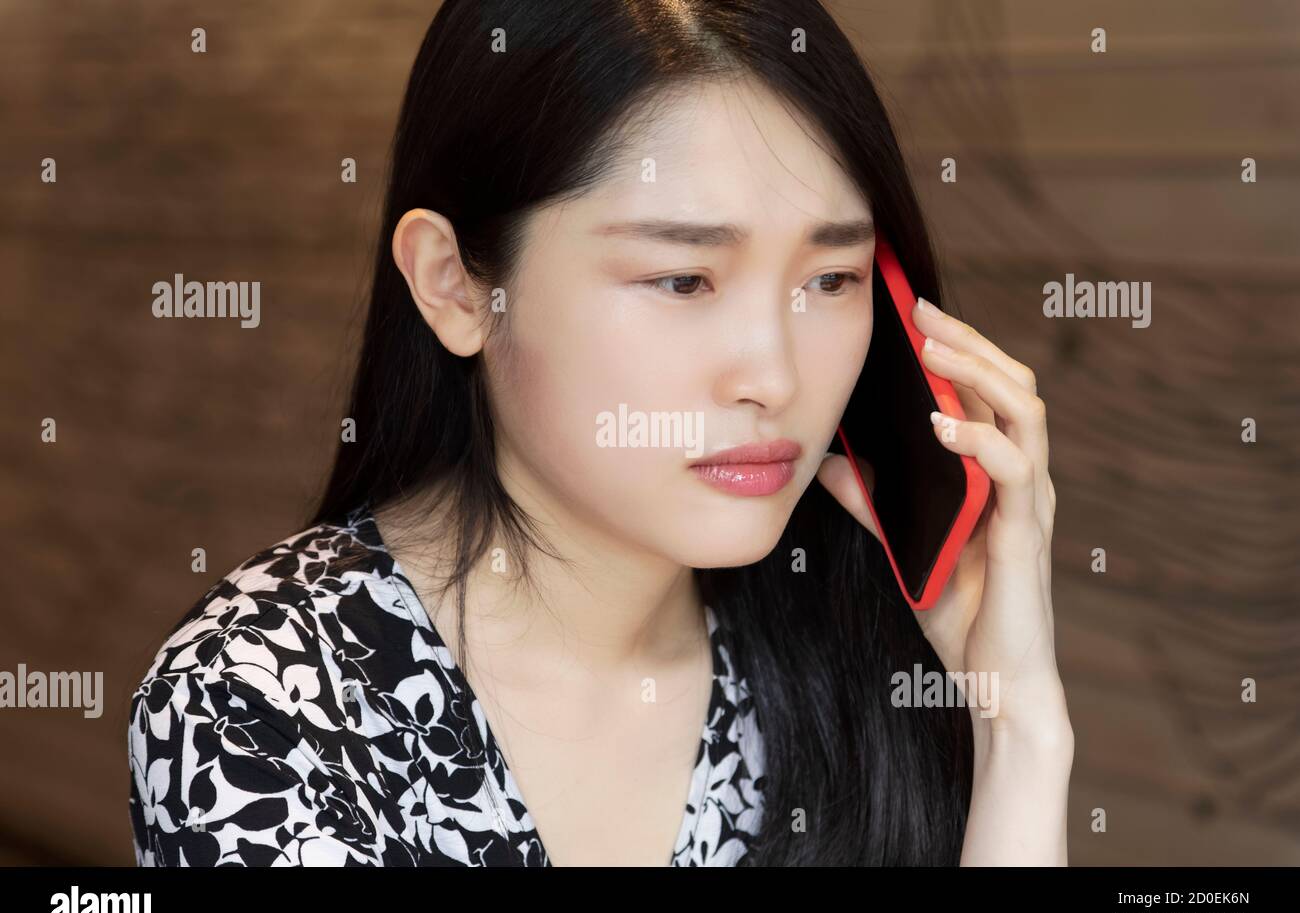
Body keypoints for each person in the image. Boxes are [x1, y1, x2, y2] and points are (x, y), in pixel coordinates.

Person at [128, 0, 1070, 866]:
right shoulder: (264, 702)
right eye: (683, 280)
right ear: (456, 285)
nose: (775, 378)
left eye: (831, 281)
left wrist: (1016, 728)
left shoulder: (856, 653)